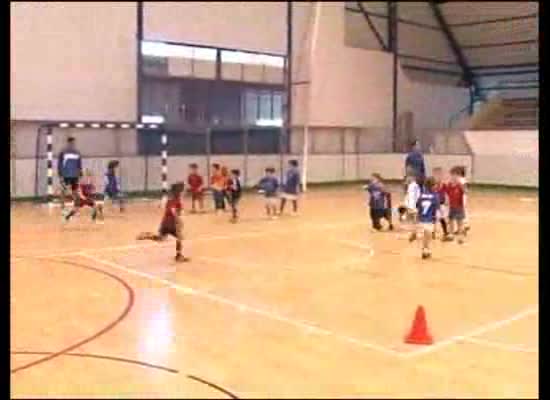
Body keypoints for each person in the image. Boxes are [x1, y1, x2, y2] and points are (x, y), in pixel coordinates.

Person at [136, 182, 190, 262]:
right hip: (170, 223)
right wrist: (178, 220)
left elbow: (172, 209)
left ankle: (148, 235)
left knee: (161, 239)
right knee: (180, 237)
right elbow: (173, 210)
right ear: (179, 191)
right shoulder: (175, 199)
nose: (184, 191)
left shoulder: (172, 198)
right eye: (182, 190)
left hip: (165, 223)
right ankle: (178, 256)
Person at [410, 176, 440, 259]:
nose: (436, 187)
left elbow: (417, 207)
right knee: (428, 237)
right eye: (435, 185)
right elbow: (436, 211)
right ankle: (425, 250)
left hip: (420, 219)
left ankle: (415, 233)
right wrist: (436, 223)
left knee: (426, 235)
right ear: (432, 186)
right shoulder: (435, 196)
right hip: (429, 220)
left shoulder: (421, 196)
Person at [57, 136, 82, 207]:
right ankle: (62, 204)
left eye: (73, 143)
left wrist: (80, 172)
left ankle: (76, 204)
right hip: (66, 174)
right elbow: (60, 163)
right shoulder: (63, 152)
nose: (72, 144)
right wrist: (60, 173)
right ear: (68, 143)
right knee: (64, 189)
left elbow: (79, 163)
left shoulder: (77, 152)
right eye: (71, 142)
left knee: (75, 190)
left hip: (74, 174)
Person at [446, 166, 467, 244]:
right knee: (451, 220)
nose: (453, 177)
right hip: (452, 206)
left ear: (458, 176)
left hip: (459, 206)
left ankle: (460, 237)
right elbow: (447, 193)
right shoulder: (449, 185)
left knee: (459, 222)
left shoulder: (460, 185)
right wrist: (446, 201)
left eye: (455, 175)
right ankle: (451, 234)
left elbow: (465, 191)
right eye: (452, 175)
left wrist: (460, 185)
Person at [432, 167, 452, 241]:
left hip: (442, 204)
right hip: (434, 205)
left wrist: (447, 201)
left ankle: (445, 232)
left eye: (440, 175)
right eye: (436, 175)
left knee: (442, 218)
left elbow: (447, 194)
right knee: (434, 219)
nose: (438, 177)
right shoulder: (432, 185)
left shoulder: (444, 185)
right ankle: (432, 232)